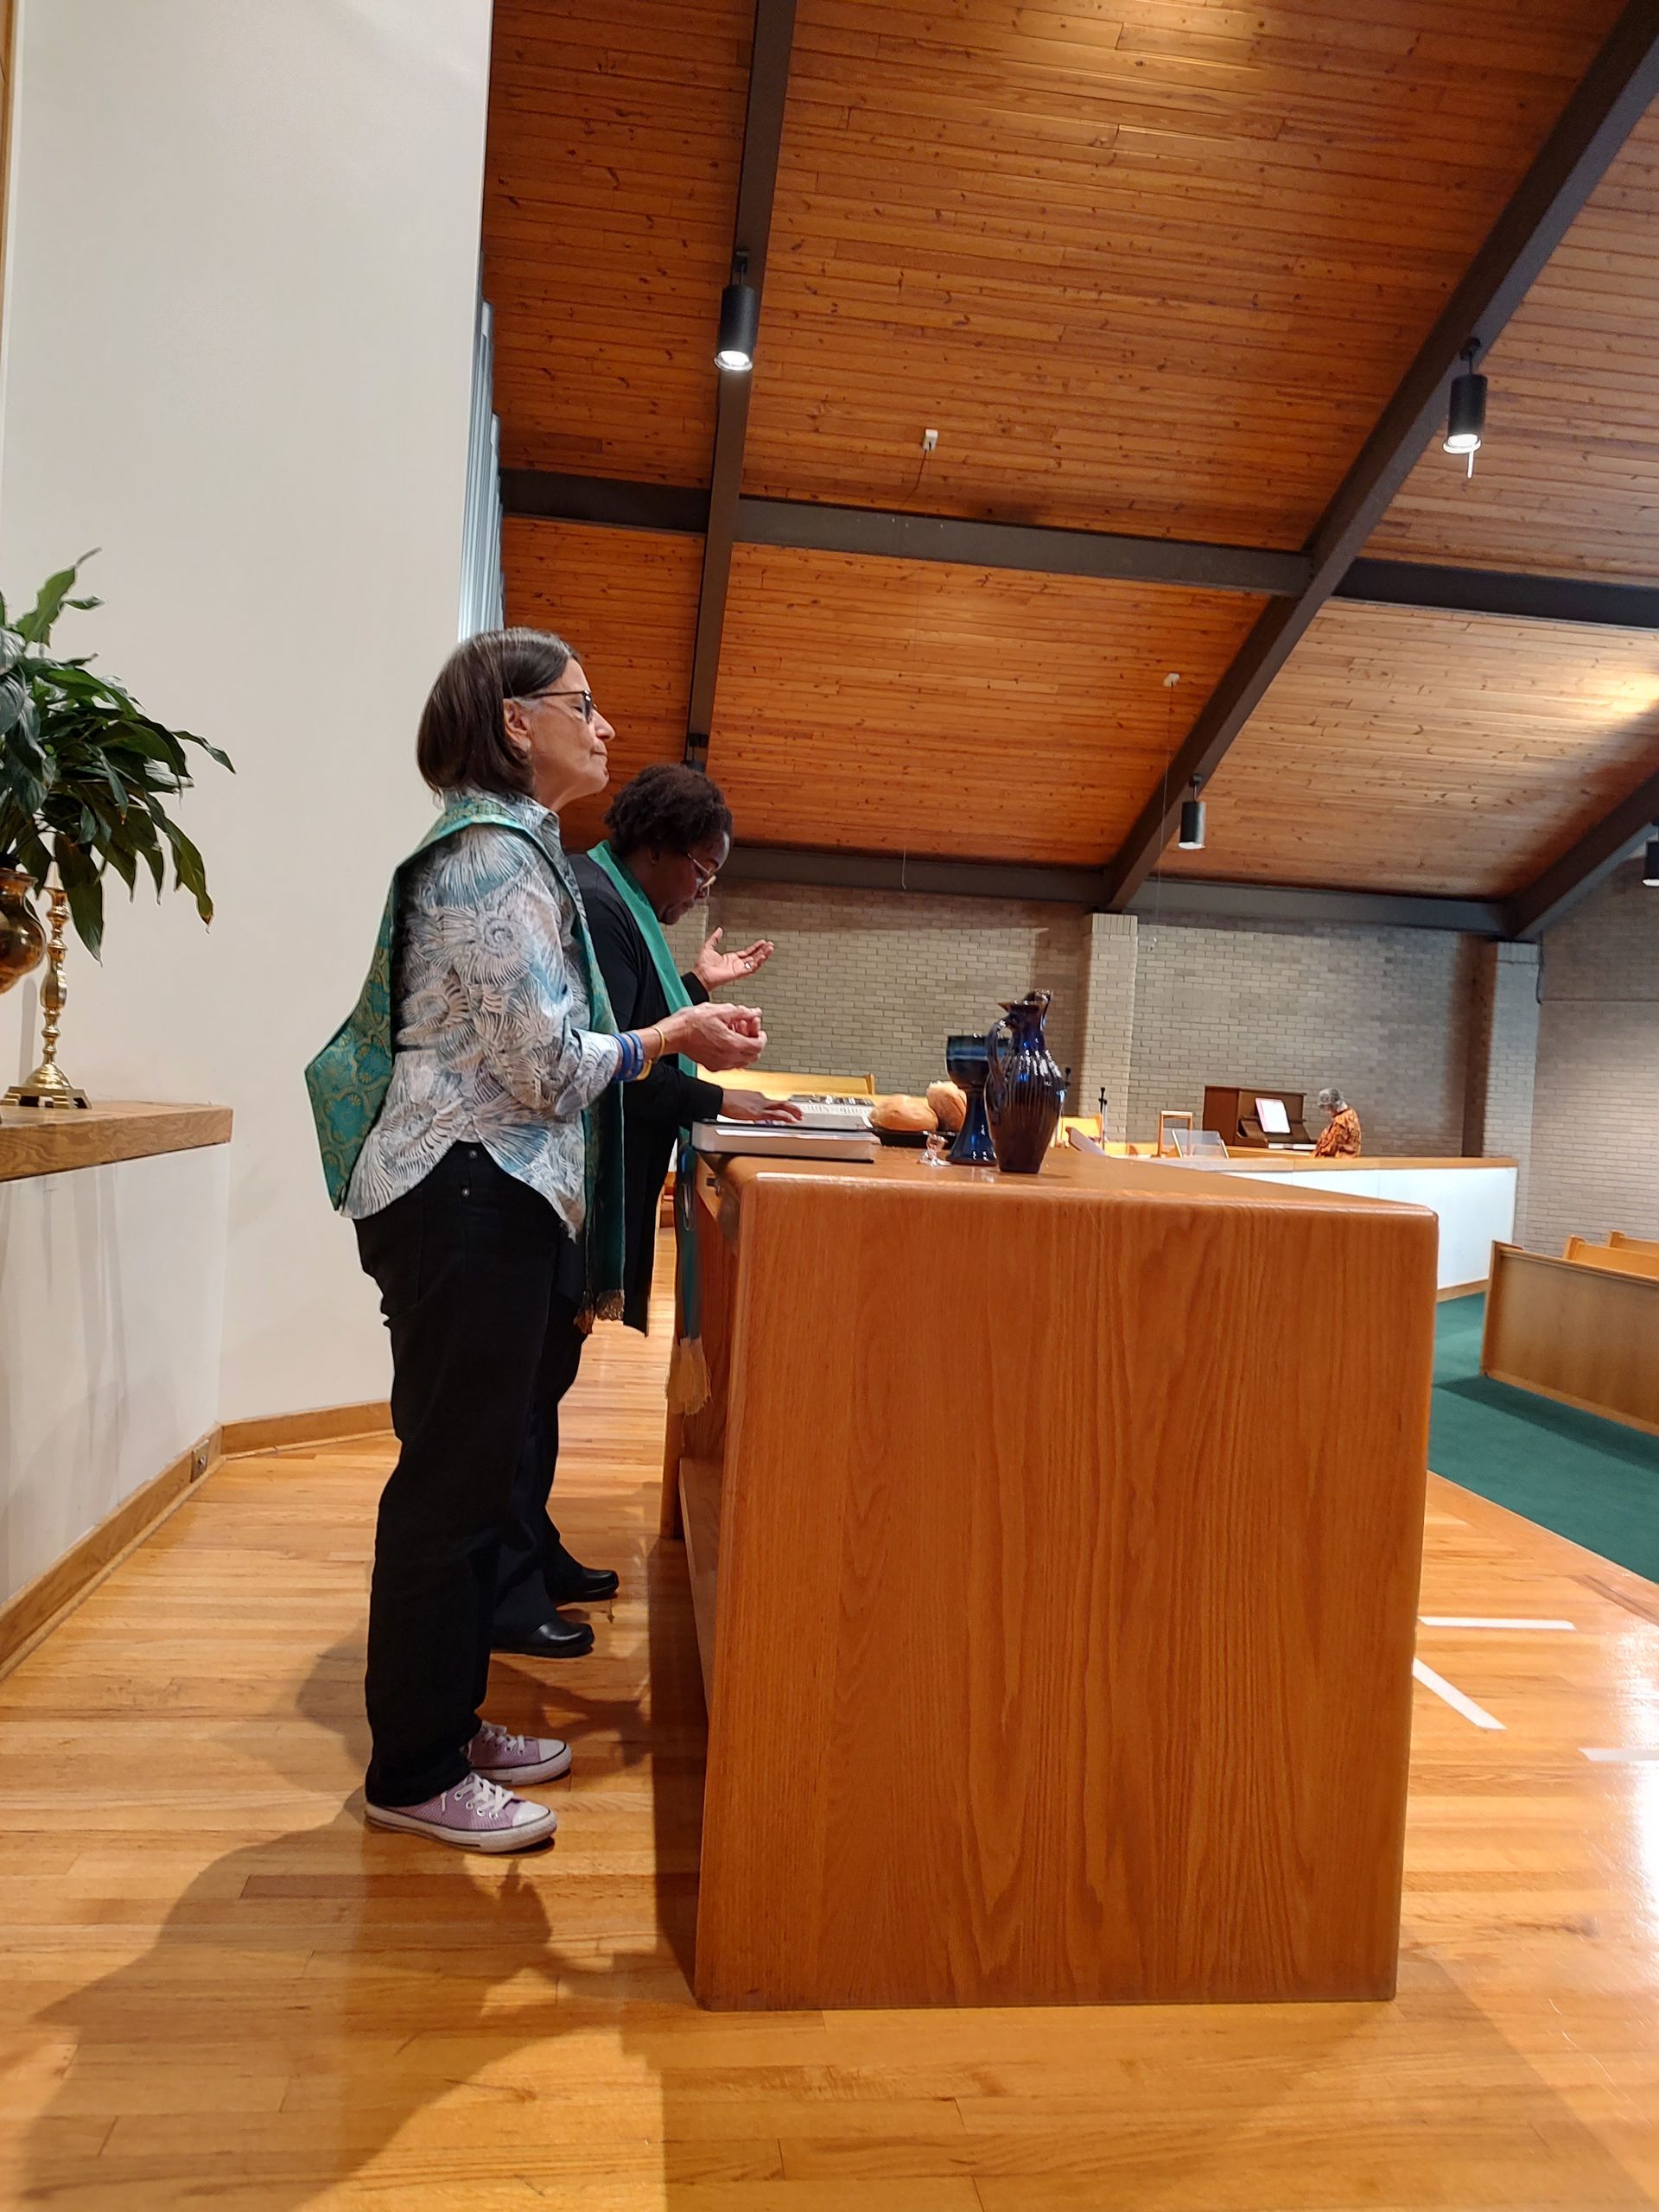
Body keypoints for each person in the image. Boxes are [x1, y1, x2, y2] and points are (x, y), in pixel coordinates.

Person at [304, 627, 767, 1853]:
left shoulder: (506, 850)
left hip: (476, 1196)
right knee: (449, 1492)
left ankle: (448, 1728)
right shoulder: (492, 861)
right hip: (468, 1196)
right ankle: (414, 1770)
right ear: (516, 722)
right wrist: (676, 1036)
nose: (604, 727)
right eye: (583, 704)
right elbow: (548, 1069)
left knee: (470, 1478)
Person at [489, 766, 798, 1654]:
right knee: (526, 1398)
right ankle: (508, 1588)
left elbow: (639, 1032)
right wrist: (728, 1103)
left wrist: (692, 994)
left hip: (569, 1192)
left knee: (543, 1390)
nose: (704, 887)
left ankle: (531, 1548)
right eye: (700, 868)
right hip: (555, 1189)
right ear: (656, 846)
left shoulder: (609, 895)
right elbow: (619, 1071)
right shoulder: (596, 900)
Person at [1313, 1087, 1363, 1157]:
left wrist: (1318, 1150)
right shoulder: (1351, 1113)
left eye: (1328, 1109)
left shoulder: (1341, 1120)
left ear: (1334, 1106)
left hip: (1339, 1160)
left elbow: (1332, 1147)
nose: (1327, 1112)